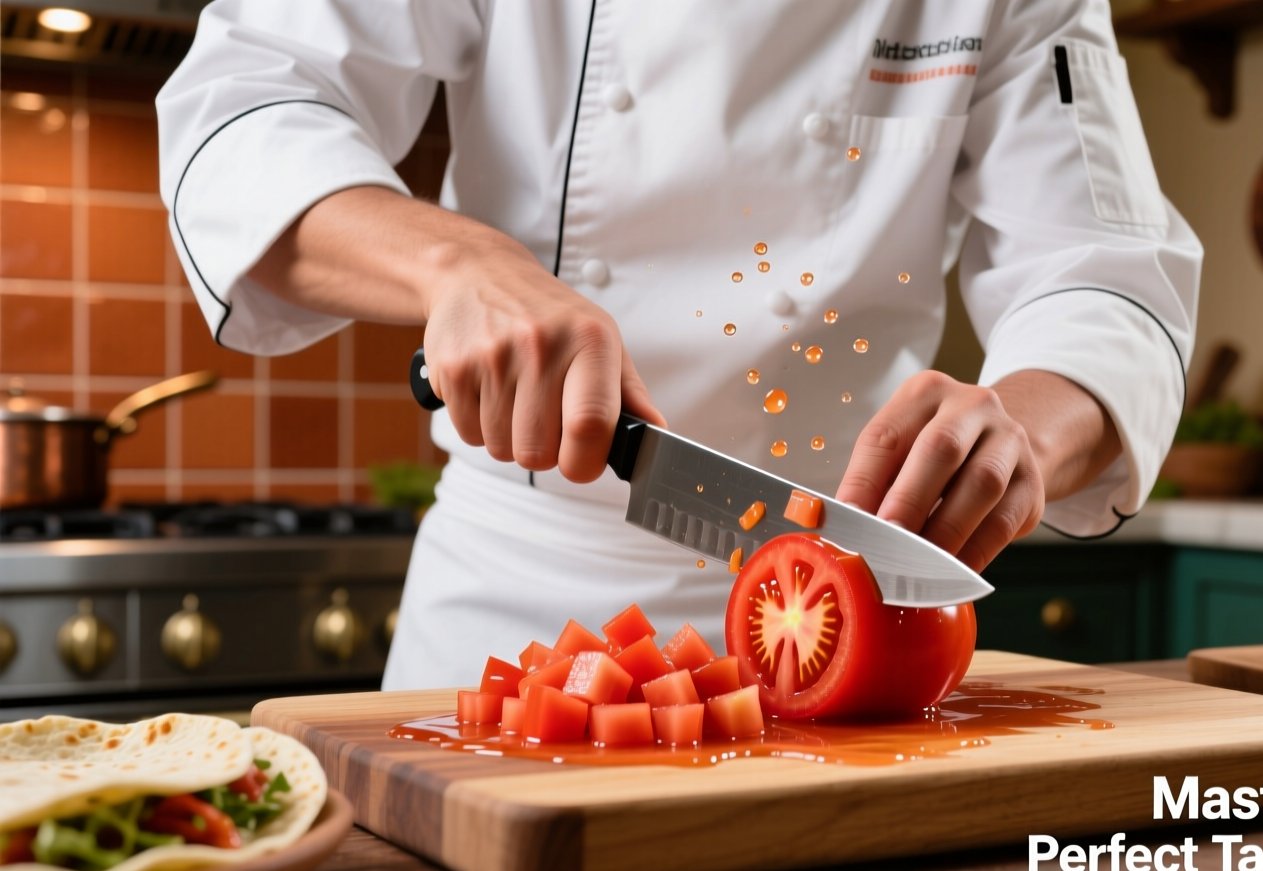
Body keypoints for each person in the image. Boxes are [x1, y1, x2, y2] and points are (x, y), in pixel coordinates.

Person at [157, 1, 1201, 689]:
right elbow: (241, 115)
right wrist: (456, 265)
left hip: (841, 620)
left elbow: (1104, 269)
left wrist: (1015, 427)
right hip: (520, 609)